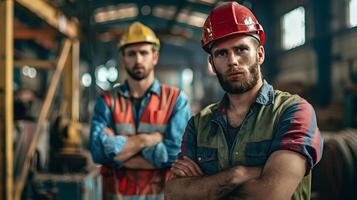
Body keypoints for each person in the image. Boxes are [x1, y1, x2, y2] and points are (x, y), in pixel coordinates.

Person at [165, 2, 323, 200]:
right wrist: (237, 175)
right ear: (213, 64)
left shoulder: (293, 112)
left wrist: (204, 184)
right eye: (222, 53)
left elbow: (271, 194)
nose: (232, 60)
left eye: (241, 50)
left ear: (260, 54)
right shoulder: (199, 124)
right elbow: (174, 192)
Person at [89, 22, 191, 200]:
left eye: (144, 52)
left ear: (155, 57)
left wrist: (116, 156)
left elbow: (174, 157)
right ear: (123, 59)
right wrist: (149, 139)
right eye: (131, 54)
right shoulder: (107, 101)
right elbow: (98, 153)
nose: (138, 60)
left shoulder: (176, 100)